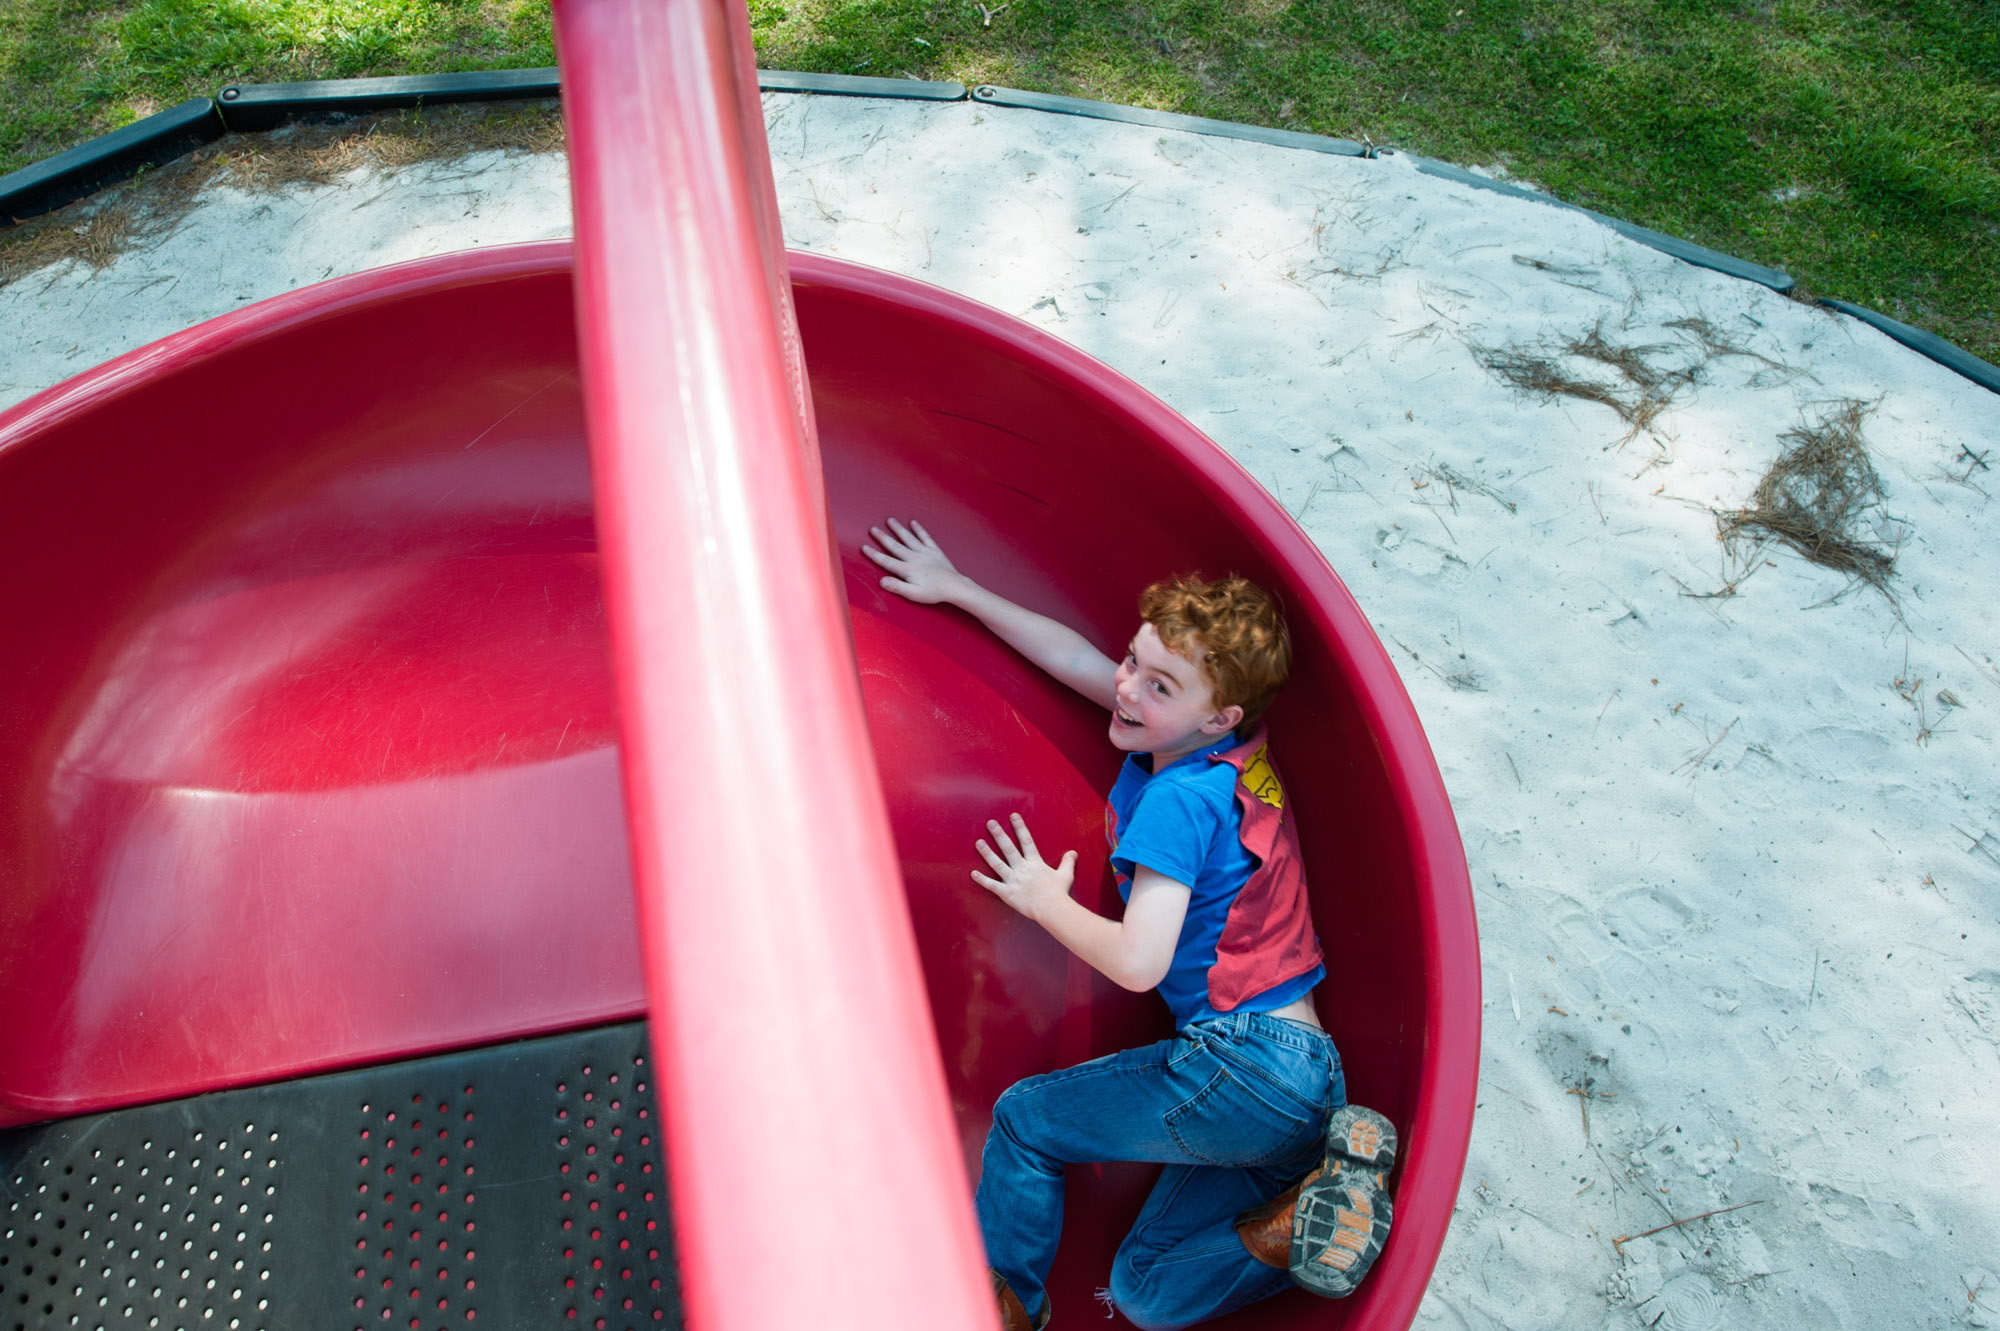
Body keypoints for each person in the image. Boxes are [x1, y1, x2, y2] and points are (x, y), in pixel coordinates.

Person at [862, 518, 1397, 1331]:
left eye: (1158, 686)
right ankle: (1303, 1215)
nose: (1126, 688)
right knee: (1144, 1290)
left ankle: (995, 1309)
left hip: (1246, 1061)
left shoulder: (1180, 801)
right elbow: (1078, 657)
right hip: (1309, 1090)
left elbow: (1140, 961)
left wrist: (1046, 900)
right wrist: (959, 587)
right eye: (1133, 661)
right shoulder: (1230, 749)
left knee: (1025, 1122)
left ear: (1219, 715)